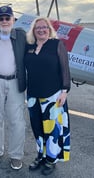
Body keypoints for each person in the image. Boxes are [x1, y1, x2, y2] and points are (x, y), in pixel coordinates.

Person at [24, 17, 71, 176]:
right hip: (32, 95)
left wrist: (64, 90)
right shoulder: (29, 46)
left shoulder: (57, 45)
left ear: (49, 29)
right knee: (37, 127)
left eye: (44, 27)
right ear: (33, 30)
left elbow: (65, 68)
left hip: (52, 95)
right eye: (38, 28)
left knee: (52, 130)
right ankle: (40, 155)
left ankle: (51, 159)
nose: (41, 30)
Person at [0, 6, 27, 170]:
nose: (4, 21)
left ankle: (16, 155)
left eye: (7, 18)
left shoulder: (22, 36)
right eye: (1, 18)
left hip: (16, 83)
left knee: (17, 121)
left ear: (13, 19)